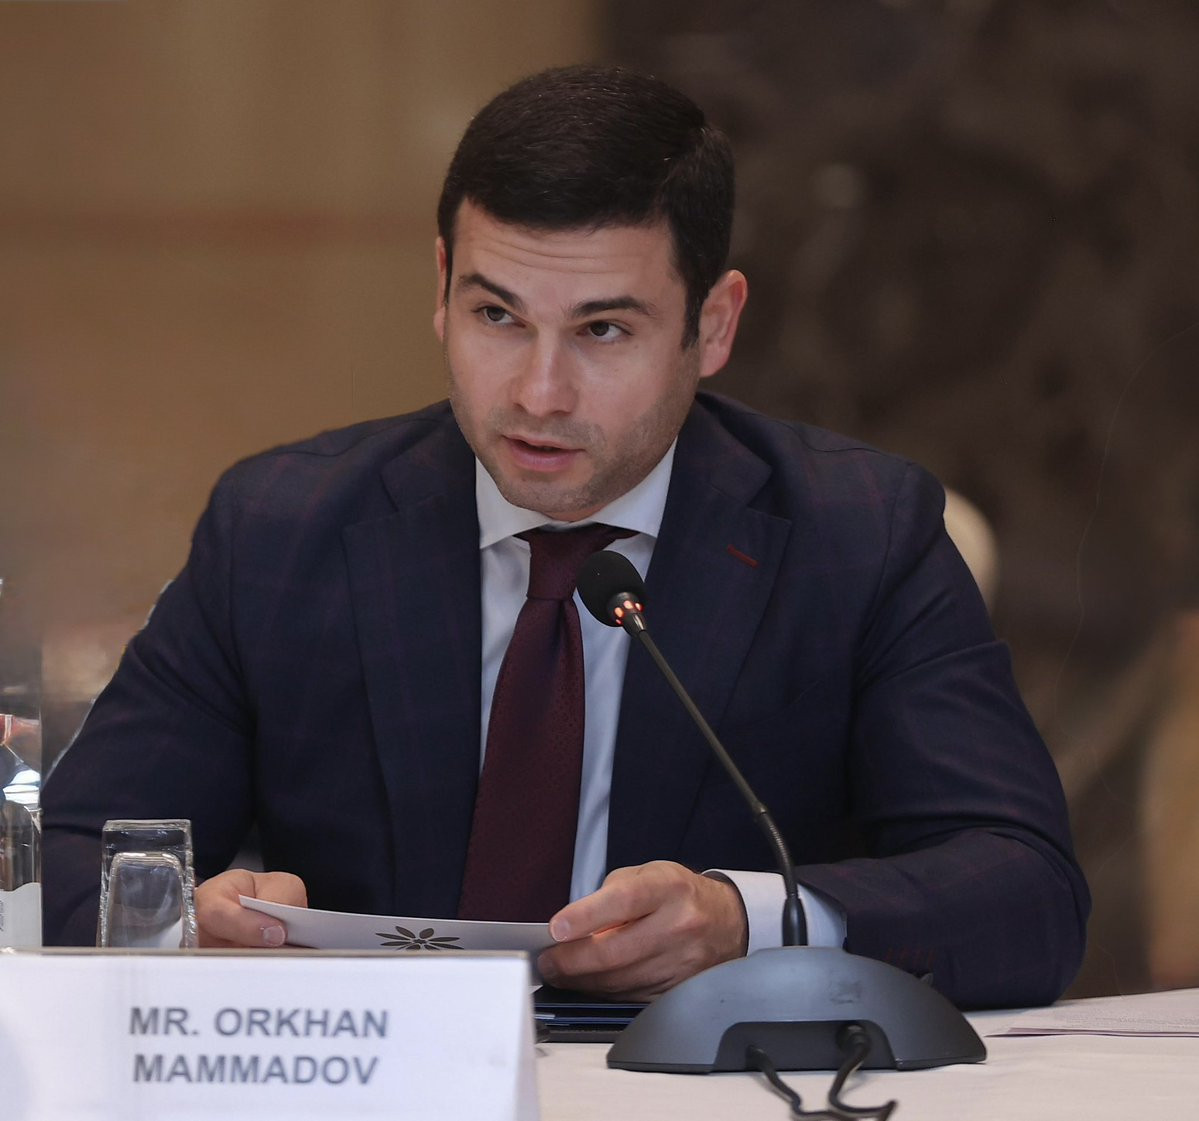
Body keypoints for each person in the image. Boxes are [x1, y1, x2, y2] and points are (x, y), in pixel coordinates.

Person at [42, 64, 1088, 1008]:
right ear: (440, 289)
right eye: (497, 316)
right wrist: (184, 922)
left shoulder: (857, 535)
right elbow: (73, 855)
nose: (538, 393)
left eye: (602, 329)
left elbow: (1025, 890)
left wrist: (746, 920)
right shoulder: (282, 527)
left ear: (712, 325)